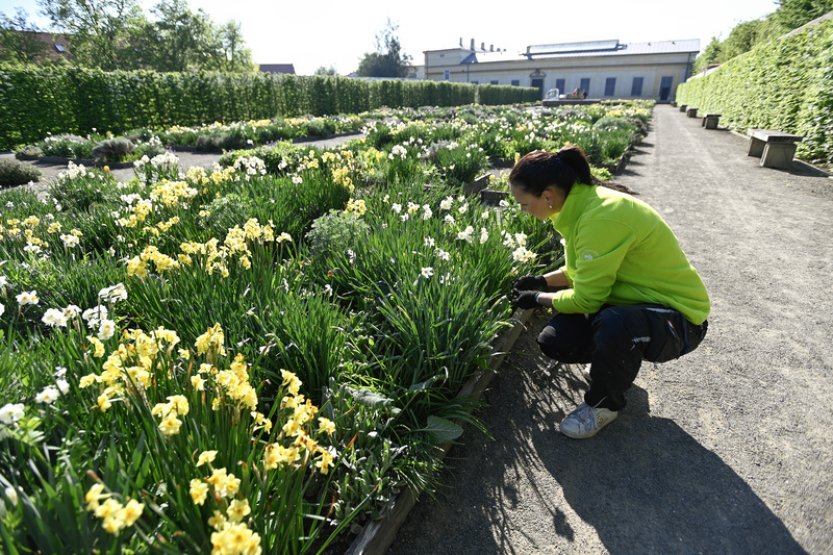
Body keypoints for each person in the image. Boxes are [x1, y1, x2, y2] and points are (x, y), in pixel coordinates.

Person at [509, 146, 710, 439]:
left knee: (615, 324)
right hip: (637, 304)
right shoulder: (580, 209)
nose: (523, 211)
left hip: (680, 320)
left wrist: (537, 298)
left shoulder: (600, 217)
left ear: (547, 195)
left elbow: (587, 299)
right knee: (556, 340)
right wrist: (542, 281)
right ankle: (614, 365)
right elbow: (582, 274)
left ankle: (603, 405)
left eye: (524, 204)